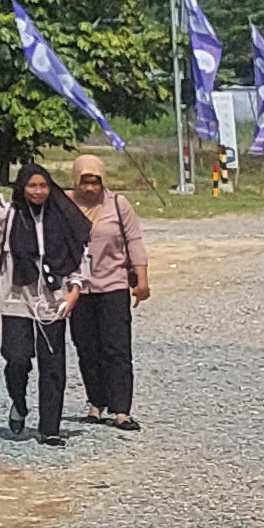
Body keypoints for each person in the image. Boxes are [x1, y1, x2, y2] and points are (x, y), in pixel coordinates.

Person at [0, 159, 92, 443]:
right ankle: (19, 402)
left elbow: (79, 255)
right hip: (16, 297)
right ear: (21, 188)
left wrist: (74, 291)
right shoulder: (8, 216)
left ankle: (50, 429)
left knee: (53, 364)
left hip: (53, 300)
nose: (38, 192)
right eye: (32, 186)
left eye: (44, 185)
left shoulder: (62, 217)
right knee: (17, 357)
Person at [70, 157, 152, 432]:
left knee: (116, 349)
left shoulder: (118, 205)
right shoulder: (65, 205)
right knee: (87, 349)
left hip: (113, 285)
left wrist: (142, 280)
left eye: (95, 181)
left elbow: (134, 242)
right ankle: (96, 404)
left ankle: (121, 410)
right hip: (78, 289)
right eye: (85, 181)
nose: (90, 187)